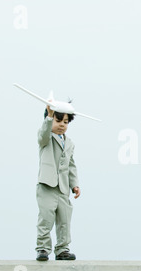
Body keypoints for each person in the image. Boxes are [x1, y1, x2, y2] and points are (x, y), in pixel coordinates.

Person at [35, 103, 81, 261]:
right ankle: (42, 248)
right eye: (58, 120)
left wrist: (74, 184)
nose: (61, 125)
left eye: (66, 122)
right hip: (47, 186)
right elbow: (43, 134)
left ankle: (62, 249)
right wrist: (49, 117)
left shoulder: (69, 143)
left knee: (64, 219)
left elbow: (71, 165)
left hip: (62, 188)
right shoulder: (45, 138)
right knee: (46, 218)